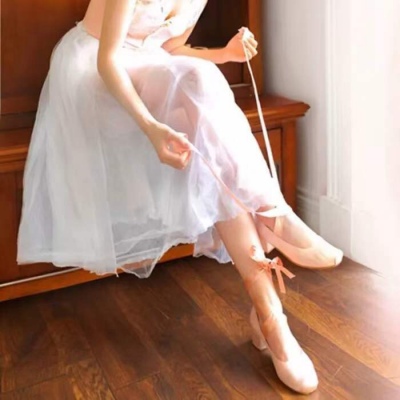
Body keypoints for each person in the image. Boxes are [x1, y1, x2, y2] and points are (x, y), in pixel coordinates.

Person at [16, 0, 344, 394]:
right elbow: (108, 61)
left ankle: (270, 310)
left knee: (206, 99)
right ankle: (275, 223)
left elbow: (170, 48)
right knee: (204, 104)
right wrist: (152, 128)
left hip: (146, 67)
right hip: (95, 75)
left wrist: (226, 54)